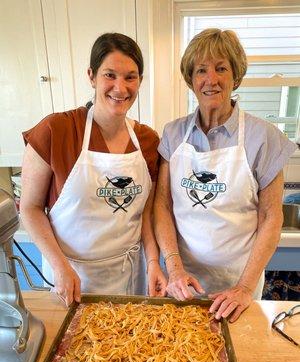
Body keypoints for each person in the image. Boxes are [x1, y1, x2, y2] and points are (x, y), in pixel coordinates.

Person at [154, 28, 297, 322]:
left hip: (238, 285)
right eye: (201, 70)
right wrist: (175, 268)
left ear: (235, 76)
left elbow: (272, 217)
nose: (211, 79)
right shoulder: (173, 133)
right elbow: (162, 206)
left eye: (221, 68)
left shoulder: (263, 137)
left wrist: (244, 287)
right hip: (182, 282)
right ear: (191, 80)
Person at [20, 32, 167, 306]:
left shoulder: (148, 141)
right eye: (109, 75)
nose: (120, 88)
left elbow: (146, 211)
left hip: (128, 277)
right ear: (92, 76)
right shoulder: (56, 130)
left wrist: (153, 262)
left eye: (130, 77)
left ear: (140, 81)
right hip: (70, 277)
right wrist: (60, 267)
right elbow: (29, 208)